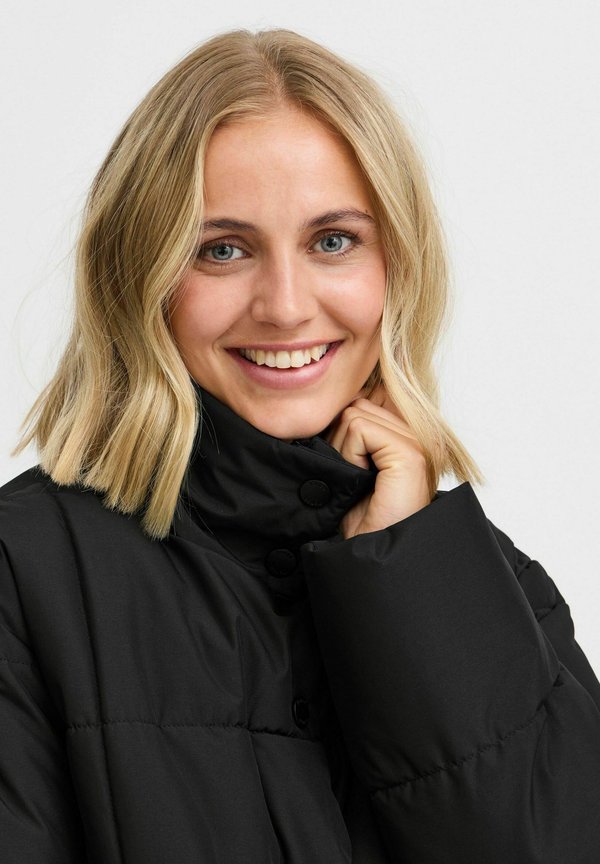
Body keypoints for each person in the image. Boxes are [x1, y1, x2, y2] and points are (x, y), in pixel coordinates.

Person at [1, 26, 599, 864]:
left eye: (332, 241)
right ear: (141, 275)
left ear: (398, 265)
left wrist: (408, 576)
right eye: (222, 250)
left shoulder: (479, 576)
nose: (285, 306)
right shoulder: (25, 570)